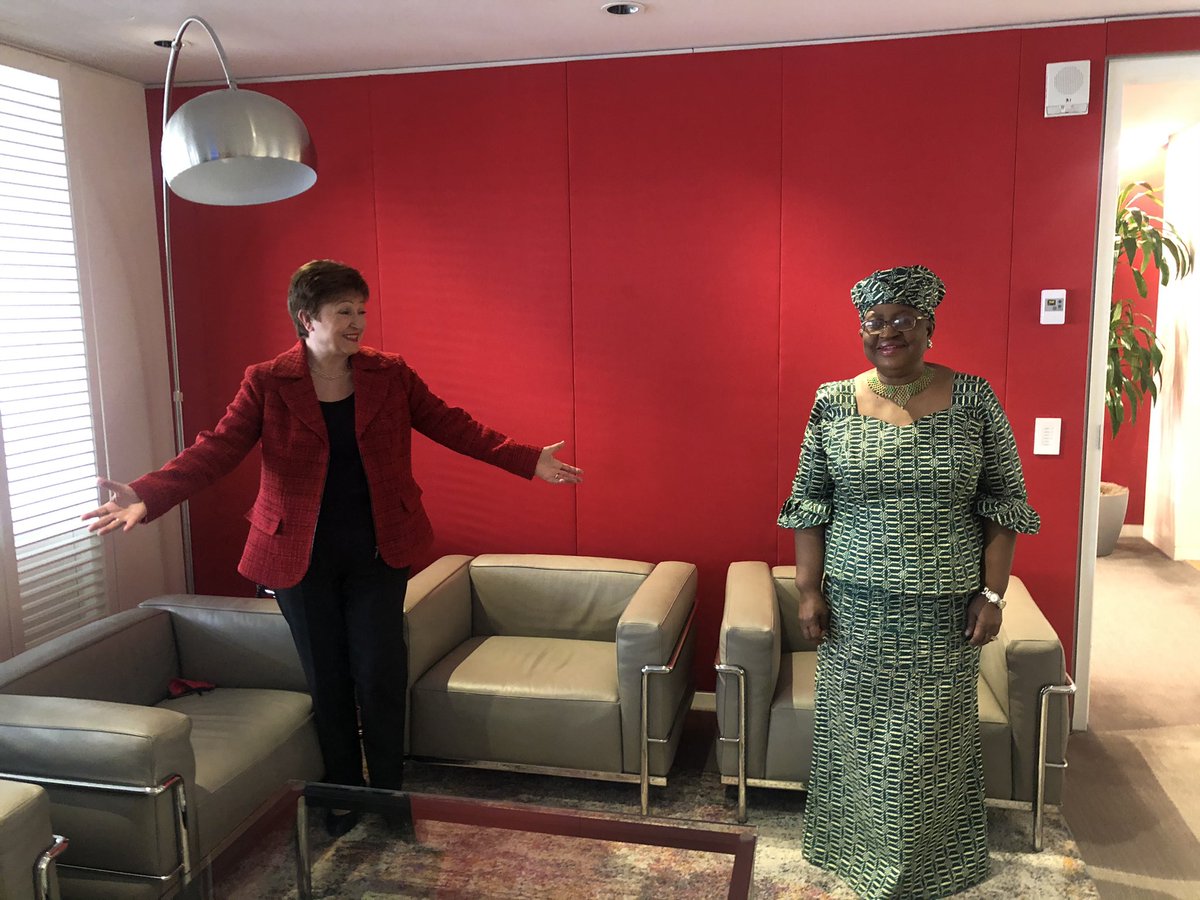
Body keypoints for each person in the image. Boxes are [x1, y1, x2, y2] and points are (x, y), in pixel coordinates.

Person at [83, 259, 581, 836]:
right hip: (299, 555)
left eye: (361, 310)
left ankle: (388, 794)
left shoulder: (390, 375)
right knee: (328, 678)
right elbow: (216, 449)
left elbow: (454, 425)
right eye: (344, 311)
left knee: (380, 673)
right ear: (307, 318)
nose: (358, 322)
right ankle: (343, 793)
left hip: (378, 550)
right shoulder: (268, 381)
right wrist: (149, 494)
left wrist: (526, 460)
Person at [778, 264, 1039, 898]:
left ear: (929, 325)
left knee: (930, 745)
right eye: (874, 321)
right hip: (854, 611)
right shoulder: (832, 401)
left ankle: (929, 867)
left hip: (944, 614)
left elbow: (1005, 505)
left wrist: (993, 594)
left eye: (902, 319)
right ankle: (852, 851)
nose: (887, 332)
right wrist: (808, 591)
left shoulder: (974, 398)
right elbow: (809, 503)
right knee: (857, 737)